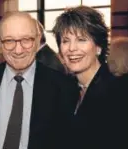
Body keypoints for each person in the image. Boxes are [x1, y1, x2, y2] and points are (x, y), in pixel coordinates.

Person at [0, 11, 79, 149]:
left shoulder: (62, 87)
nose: (18, 50)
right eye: (9, 41)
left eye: (26, 40)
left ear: (38, 40)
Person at [53, 5, 125, 149]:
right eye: (66, 41)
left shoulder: (120, 92)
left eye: (81, 39)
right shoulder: (65, 89)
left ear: (98, 47)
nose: (72, 48)